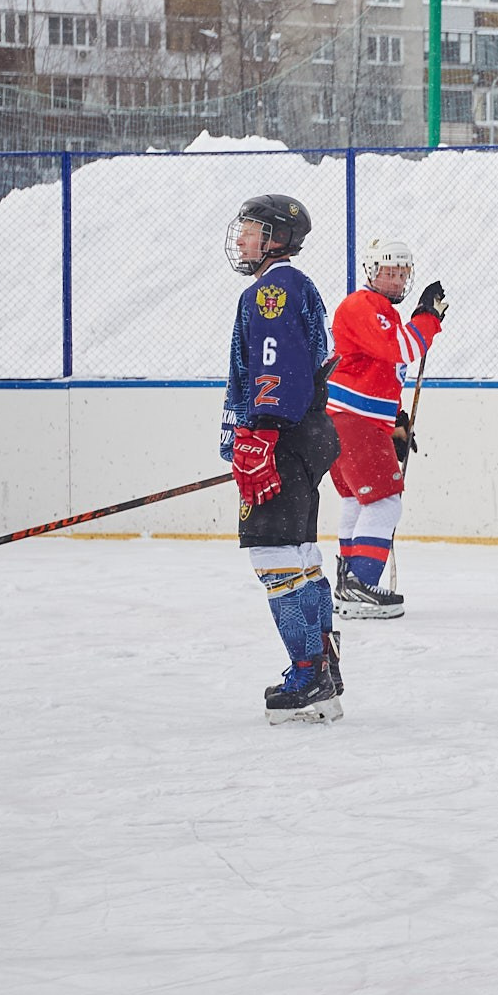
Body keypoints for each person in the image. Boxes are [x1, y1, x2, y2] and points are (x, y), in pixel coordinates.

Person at [221, 194, 345, 723]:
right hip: (305, 432)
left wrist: (260, 435)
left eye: (251, 230)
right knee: (299, 553)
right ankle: (323, 667)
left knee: (273, 557)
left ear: (275, 238)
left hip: (282, 435)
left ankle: (307, 671)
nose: (242, 239)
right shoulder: (295, 285)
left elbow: (278, 364)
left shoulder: (270, 291)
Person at [325, 236, 446, 619]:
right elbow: (403, 349)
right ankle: (360, 584)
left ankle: (348, 583)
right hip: (353, 421)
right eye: (388, 272)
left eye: (401, 273)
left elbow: (377, 370)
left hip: (351, 421)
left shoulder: (380, 310)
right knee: (384, 502)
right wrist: (427, 317)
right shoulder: (364, 305)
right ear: (372, 272)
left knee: (355, 501)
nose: (395, 281)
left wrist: (392, 420)